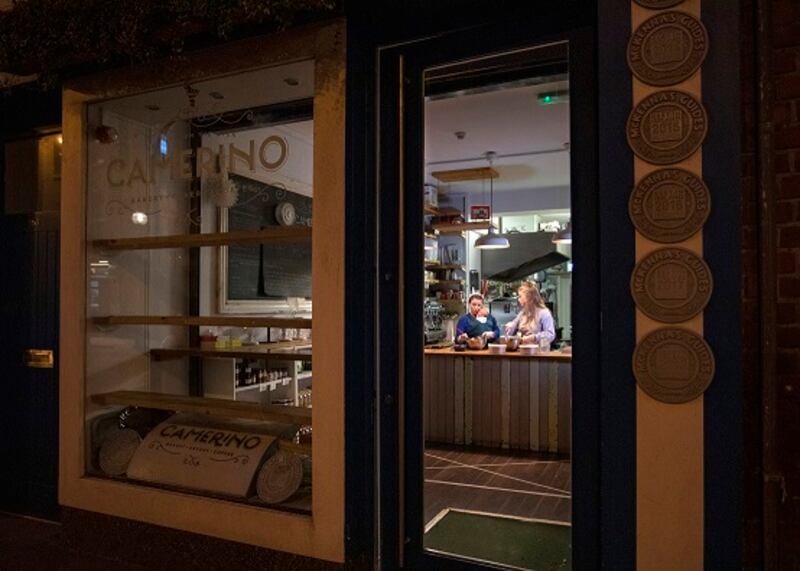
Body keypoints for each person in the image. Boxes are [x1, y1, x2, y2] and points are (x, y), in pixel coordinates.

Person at [504, 281, 556, 346]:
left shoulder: (544, 313)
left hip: (539, 350)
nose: (518, 299)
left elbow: (550, 334)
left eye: (520, 296)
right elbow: (514, 325)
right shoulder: (523, 313)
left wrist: (534, 337)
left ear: (529, 297)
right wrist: (511, 326)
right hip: (523, 349)